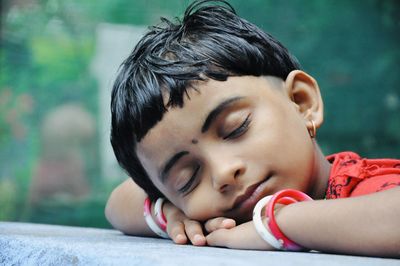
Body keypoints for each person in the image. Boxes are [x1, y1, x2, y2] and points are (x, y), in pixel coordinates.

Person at [105, 0, 400, 257]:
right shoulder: (215, 217)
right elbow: (117, 203)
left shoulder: (365, 189)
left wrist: (279, 223)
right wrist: (169, 214)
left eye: (236, 128)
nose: (223, 172)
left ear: (302, 102)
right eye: (187, 178)